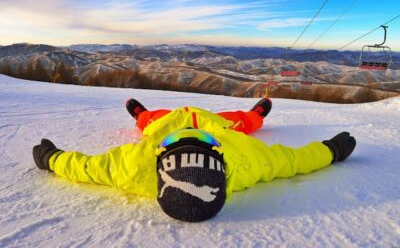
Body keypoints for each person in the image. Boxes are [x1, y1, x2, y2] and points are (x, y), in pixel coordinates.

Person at [32, 97, 356, 222]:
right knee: (243, 122)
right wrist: (332, 150)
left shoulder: (137, 165)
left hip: (167, 123)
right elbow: (294, 160)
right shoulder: (243, 159)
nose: (189, 133)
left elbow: (88, 167)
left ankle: (141, 113)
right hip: (216, 124)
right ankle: (256, 112)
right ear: (220, 159)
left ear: (159, 161)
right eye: (202, 145)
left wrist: (52, 158)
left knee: (150, 123)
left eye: (178, 145)